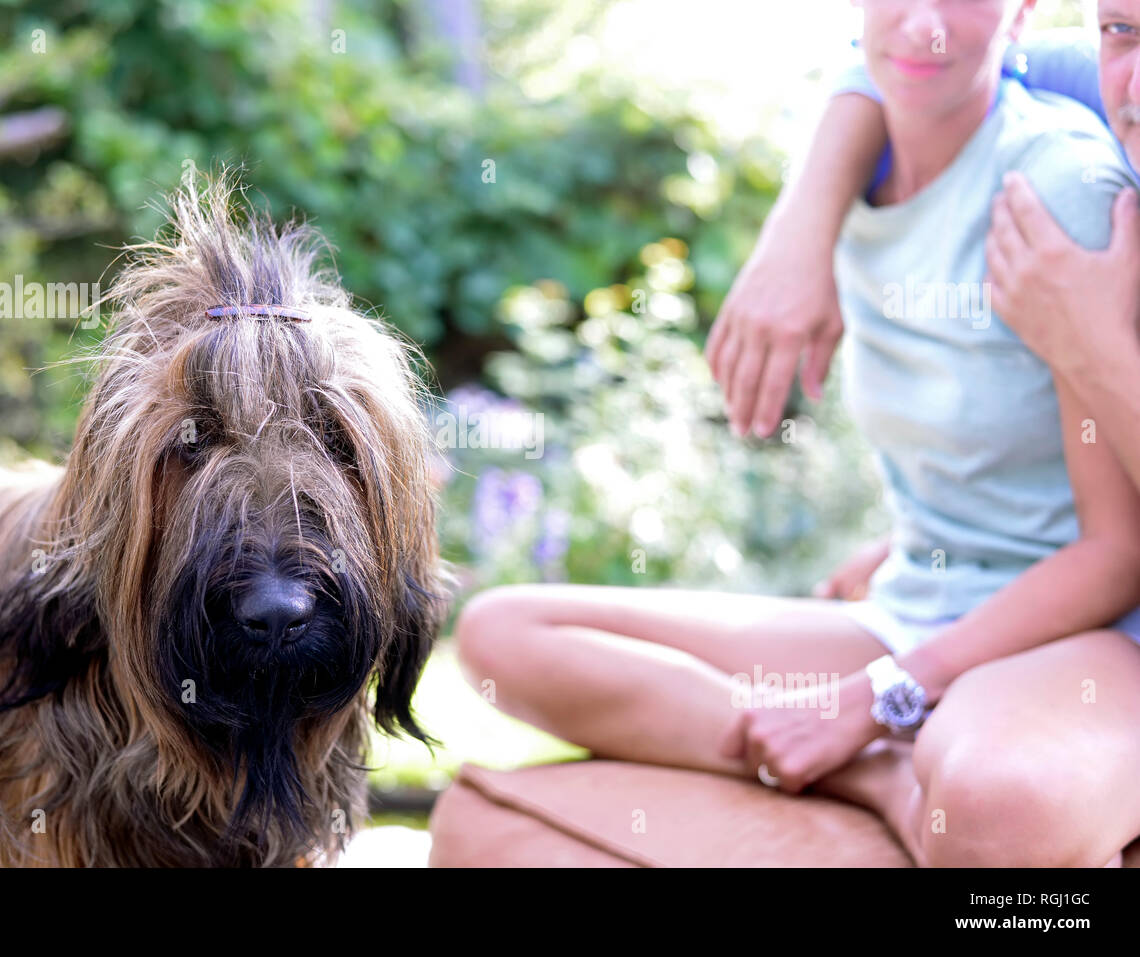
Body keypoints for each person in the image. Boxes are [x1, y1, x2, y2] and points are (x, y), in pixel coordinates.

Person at [455, 0, 1140, 868]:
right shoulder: (866, 148)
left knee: (993, 806)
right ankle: (882, 776)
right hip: (917, 606)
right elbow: (891, 65)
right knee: (502, 636)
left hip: (1062, 637)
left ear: (1023, 10)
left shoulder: (1066, 187)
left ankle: (886, 747)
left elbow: (1117, 548)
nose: (924, 21)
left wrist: (880, 693)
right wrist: (801, 222)